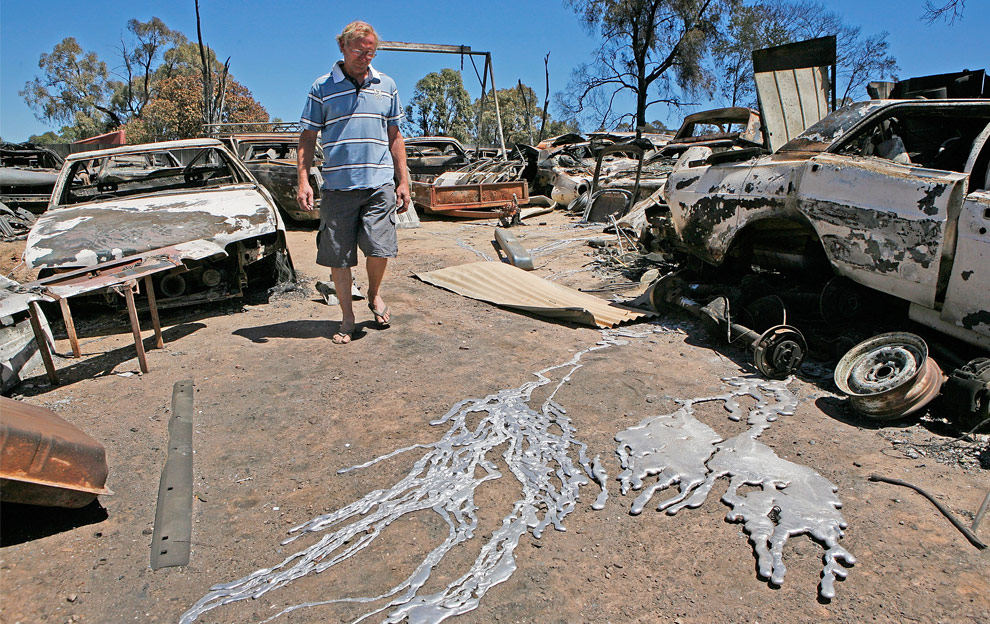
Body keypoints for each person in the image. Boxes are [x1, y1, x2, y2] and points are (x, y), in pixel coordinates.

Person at [296, 20, 410, 344]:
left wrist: (403, 180)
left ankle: (374, 294)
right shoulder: (321, 87)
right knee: (339, 256)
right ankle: (347, 316)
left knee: (380, 247)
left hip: (379, 184)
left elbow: (395, 136)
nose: (365, 57)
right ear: (342, 47)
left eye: (370, 52)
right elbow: (307, 137)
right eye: (359, 51)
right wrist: (303, 180)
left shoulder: (387, 85)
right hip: (337, 187)